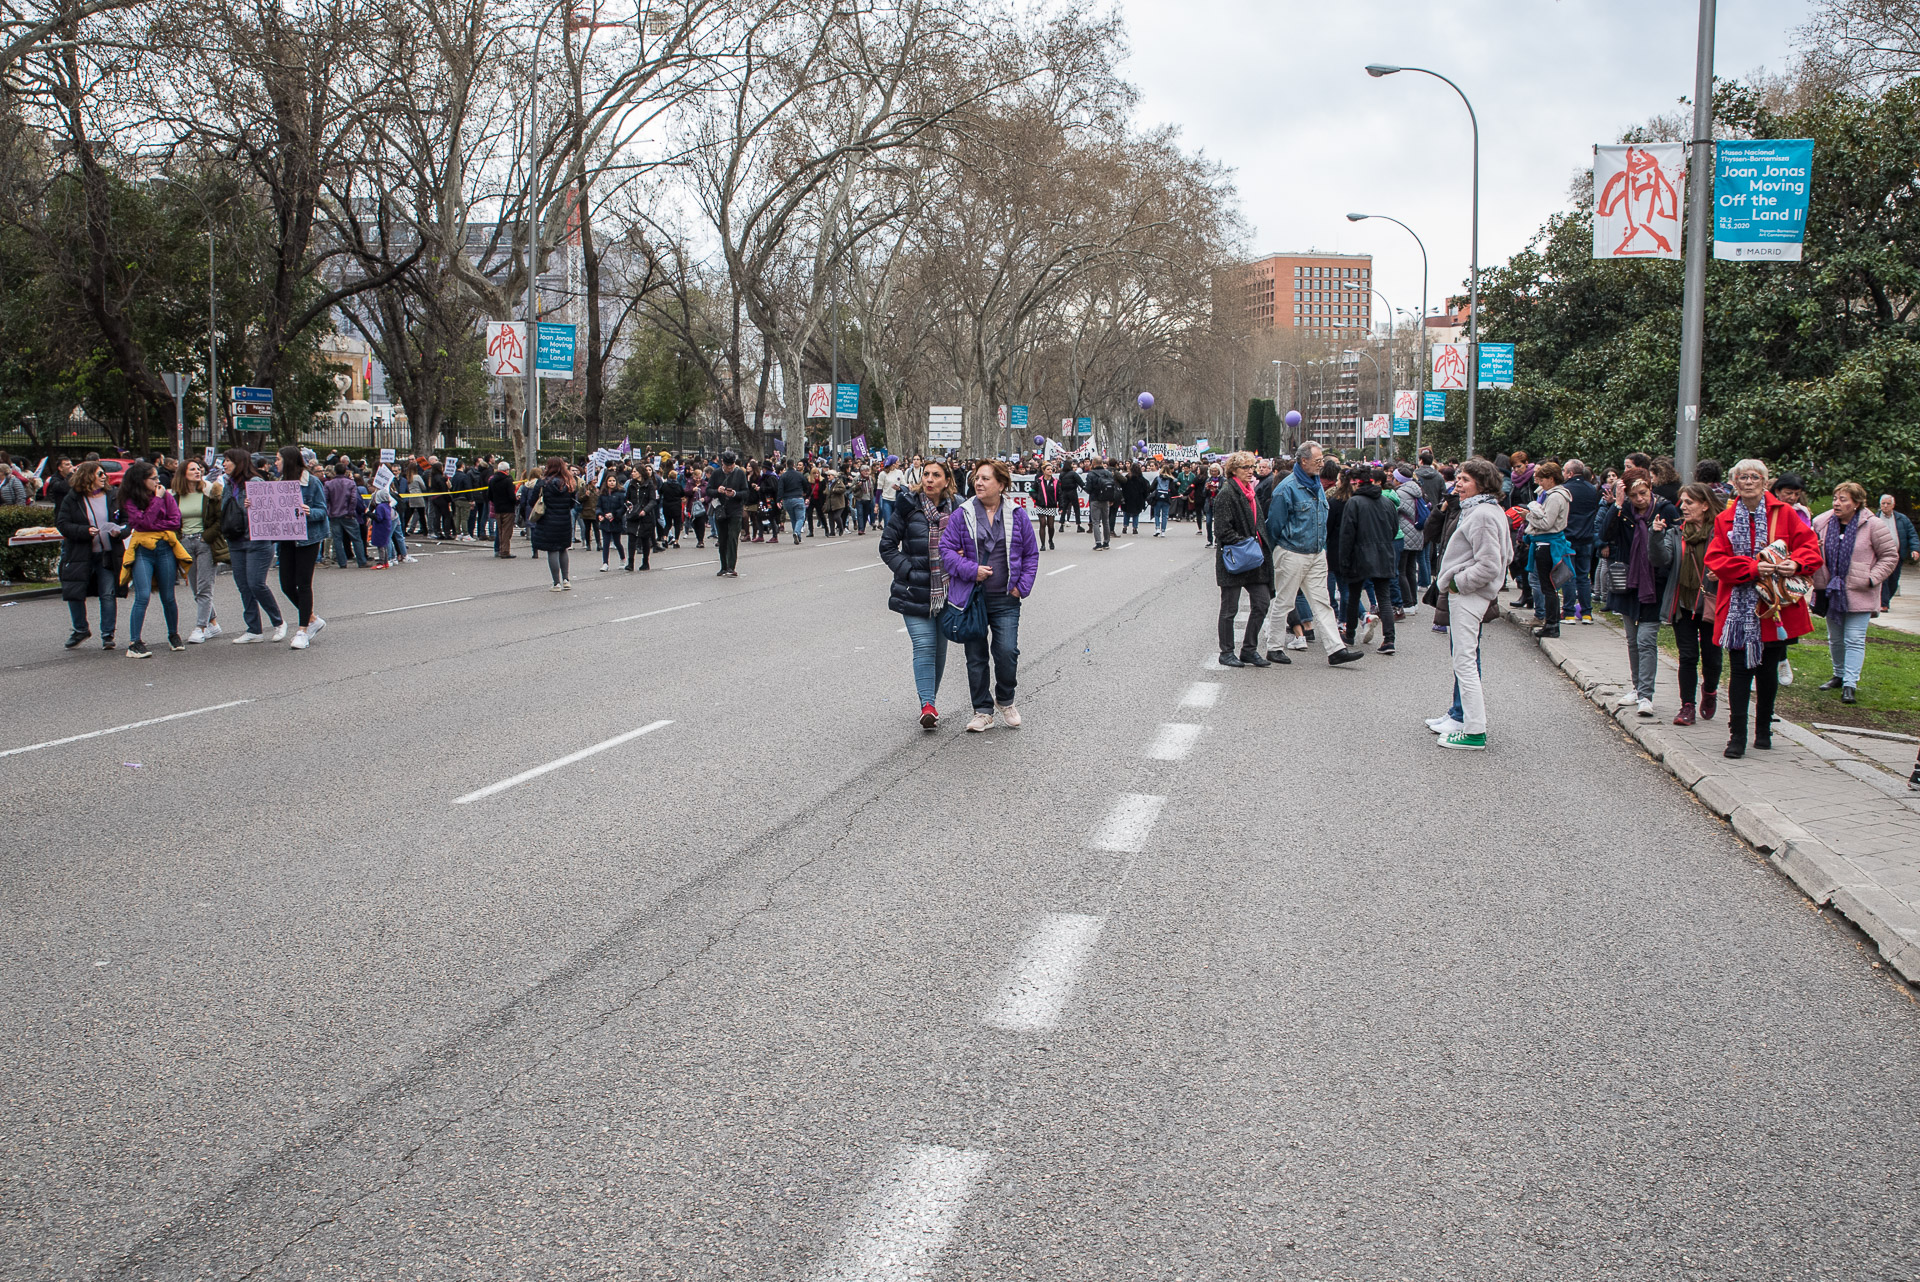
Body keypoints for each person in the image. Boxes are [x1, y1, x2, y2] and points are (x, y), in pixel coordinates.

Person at [1706, 458, 1821, 758]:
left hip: (1775, 609)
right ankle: (1737, 736)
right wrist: (1753, 568)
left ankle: (1764, 730)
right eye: (1742, 477)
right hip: (1738, 610)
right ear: (1734, 483)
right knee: (1740, 671)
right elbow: (1716, 560)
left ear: (1765, 482)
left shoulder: (1785, 513)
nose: (1748, 482)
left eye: (1754, 477)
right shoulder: (1724, 519)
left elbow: (1810, 548)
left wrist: (1795, 563)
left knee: (1768, 671)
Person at [940, 459, 1039, 731]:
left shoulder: (1017, 515)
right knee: (976, 657)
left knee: (1007, 652)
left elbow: (1031, 554)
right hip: (973, 598)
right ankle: (982, 711)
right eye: (977, 478)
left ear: (1002, 484)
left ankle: (1005, 699)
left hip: (1006, 598)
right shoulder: (963, 514)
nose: (979, 483)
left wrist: (1021, 586)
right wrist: (972, 570)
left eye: (985, 478)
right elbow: (946, 551)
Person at [1430, 457, 1512, 750]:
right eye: (1459, 478)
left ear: (1482, 483)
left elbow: (1490, 563)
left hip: (1469, 595)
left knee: (1464, 663)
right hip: (1470, 593)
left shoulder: (1483, 514)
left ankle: (1474, 731)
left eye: (1465, 479)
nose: (1458, 484)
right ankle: (1466, 723)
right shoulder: (1486, 510)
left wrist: (1458, 582)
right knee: (1464, 660)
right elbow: (1505, 554)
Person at [1265, 441, 1364, 668]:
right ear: (1303, 461)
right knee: (1284, 601)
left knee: (1323, 603)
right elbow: (1274, 526)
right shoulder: (1286, 489)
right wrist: (1277, 553)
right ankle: (1274, 647)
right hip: (1292, 552)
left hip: (1316, 553)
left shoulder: (1316, 483)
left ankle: (1336, 649)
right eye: (1318, 461)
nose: (1322, 464)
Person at [880, 457, 958, 729]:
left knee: (940, 651)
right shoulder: (908, 506)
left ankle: (930, 703)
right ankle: (927, 705)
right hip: (913, 591)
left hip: (947, 592)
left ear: (946, 481)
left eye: (936, 475)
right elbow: (887, 546)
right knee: (924, 645)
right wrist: (909, 571)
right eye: (926, 474)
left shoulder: (958, 508)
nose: (929, 479)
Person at [1811, 481, 1898, 704]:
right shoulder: (1821, 522)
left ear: (1857, 503)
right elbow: (1810, 550)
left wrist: (1871, 578)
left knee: (1854, 638)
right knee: (1835, 638)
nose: (1836, 504)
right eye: (1835, 499)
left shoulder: (1874, 525)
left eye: (1843, 500)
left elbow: (1890, 556)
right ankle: (1838, 674)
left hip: (1860, 590)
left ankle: (1850, 683)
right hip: (1830, 591)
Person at [1602, 472, 1681, 715]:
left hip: (1654, 584)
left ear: (1650, 488)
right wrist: (1617, 504)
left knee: (1646, 640)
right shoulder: (1624, 510)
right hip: (1627, 581)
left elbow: (1675, 545)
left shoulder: (1665, 510)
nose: (1639, 499)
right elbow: (1605, 535)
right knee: (1632, 640)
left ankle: (1646, 695)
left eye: (1643, 493)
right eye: (1633, 495)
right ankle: (1637, 688)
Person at [117, 459, 191, 658]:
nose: (158, 482)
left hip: (165, 548)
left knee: (168, 596)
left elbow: (175, 521)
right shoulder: (131, 500)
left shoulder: (167, 496)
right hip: (143, 550)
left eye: (158, 477)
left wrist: (152, 524)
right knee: (142, 596)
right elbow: (143, 522)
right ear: (141, 480)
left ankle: (173, 635)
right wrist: (157, 502)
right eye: (153, 478)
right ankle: (135, 642)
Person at [1665, 483, 1724, 726]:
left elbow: (1731, 560)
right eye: (1682, 502)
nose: (1683, 507)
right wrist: (1655, 537)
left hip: (1711, 602)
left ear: (1705, 505)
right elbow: (1661, 559)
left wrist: (1721, 572)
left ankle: (1709, 691)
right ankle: (1687, 705)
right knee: (1688, 656)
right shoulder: (1677, 532)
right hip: (1684, 603)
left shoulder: (1720, 532)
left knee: (1712, 658)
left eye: (1689, 502)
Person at [1212, 451, 1274, 668]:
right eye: (1245, 468)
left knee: (1262, 603)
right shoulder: (1227, 493)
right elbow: (1222, 530)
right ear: (1233, 471)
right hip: (1235, 557)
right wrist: (1246, 544)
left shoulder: (1250, 491)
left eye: (1252, 467)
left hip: (1254, 558)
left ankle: (1249, 649)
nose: (1250, 471)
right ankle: (1226, 652)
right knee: (1230, 608)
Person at [217, 449, 286, 643]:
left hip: (257, 541)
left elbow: (272, 509)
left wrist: (253, 505)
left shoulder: (255, 482)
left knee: (256, 584)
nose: (224, 464)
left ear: (239, 462)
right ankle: (254, 630)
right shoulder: (228, 484)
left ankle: (279, 622)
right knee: (244, 586)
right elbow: (225, 510)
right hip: (236, 540)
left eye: (228, 460)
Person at [55, 461, 124, 650]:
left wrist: (120, 531)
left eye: (104, 474)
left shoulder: (112, 495)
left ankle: (108, 634)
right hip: (80, 554)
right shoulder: (73, 498)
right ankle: (80, 629)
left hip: (107, 555)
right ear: (88, 476)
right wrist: (84, 531)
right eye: (100, 473)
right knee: (74, 592)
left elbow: (125, 520)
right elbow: (62, 524)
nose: (104, 477)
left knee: (108, 594)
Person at [1337, 467, 1399, 655]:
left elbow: (1347, 534)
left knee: (1354, 595)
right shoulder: (1387, 502)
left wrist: (1344, 559)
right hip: (1383, 553)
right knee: (1384, 598)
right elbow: (1394, 528)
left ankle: (1350, 633)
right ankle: (1389, 639)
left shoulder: (1354, 502)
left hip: (1359, 554)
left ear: (1357, 483)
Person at [274, 445, 330, 650]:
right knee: (286, 584)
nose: (275, 463)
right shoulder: (278, 483)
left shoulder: (311, 482)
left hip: (308, 539)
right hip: (287, 539)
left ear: (288, 460)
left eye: (278, 459)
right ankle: (312, 618)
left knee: (303, 583)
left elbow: (322, 510)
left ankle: (303, 630)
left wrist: (309, 512)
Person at [173, 458, 227, 643]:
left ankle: (200, 627)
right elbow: (172, 520)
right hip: (184, 543)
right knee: (196, 588)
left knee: (204, 587)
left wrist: (206, 536)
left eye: (199, 469)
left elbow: (220, 519)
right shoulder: (174, 496)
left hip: (205, 543)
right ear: (183, 473)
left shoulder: (210, 491)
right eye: (192, 469)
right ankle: (213, 623)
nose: (197, 471)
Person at [1521, 460, 1571, 639]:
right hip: (1547, 543)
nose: (1540, 483)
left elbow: (1547, 523)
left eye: (1542, 479)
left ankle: (1551, 624)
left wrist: (1528, 516)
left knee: (1548, 587)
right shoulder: (1553, 495)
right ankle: (1552, 622)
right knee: (1548, 586)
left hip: (1547, 544)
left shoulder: (1556, 497)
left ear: (1551, 478)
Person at [1560, 460, 1601, 623]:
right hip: (1586, 537)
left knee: (1569, 576)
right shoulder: (1591, 489)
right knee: (1584, 576)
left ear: (1570, 473)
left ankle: (1569, 612)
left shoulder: (1565, 490)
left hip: (1568, 537)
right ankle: (1586, 613)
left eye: (1564, 471)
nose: (1563, 474)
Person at [527, 457, 578, 589]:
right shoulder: (569, 482)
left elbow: (532, 501)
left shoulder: (543, 483)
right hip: (564, 519)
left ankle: (556, 583)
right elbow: (572, 503)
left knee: (552, 550)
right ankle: (566, 579)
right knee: (563, 549)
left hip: (548, 520)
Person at [711, 451, 748, 576]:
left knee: (733, 537)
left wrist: (735, 494)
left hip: (735, 509)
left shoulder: (739, 473)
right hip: (721, 509)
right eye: (727, 465)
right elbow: (708, 490)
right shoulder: (716, 473)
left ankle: (731, 567)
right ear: (722, 463)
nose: (730, 467)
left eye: (732, 465)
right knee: (722, 539)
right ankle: (723, 566)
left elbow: (746, 492)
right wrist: (718, 491)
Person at [1878, 494, 1918, 608]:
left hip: (1897, 555)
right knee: (1883, 579)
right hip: (1880, 555)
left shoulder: (1902, 519)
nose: (1885, 506)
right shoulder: (1874, 519)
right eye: (1883, 504)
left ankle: (1885, 600)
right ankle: (1883, 604)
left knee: (1893, 580)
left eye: (1888, 503)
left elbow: (1912, 534)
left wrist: (1915, 549)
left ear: (1893, 505)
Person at [623, 463, 657, 571]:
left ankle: (645, 562)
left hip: (645, 516)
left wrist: (645, 510)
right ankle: (630, 563)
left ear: (640, 473)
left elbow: (653, 500)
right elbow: (627, 498)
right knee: (631, 538)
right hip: (633, 515)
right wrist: (628, 504)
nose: (632, 473)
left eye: (635, 471)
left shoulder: (649, 485)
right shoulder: (631, 484)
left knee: (645, 539)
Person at [487, 461, 518, 558]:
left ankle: (499, 549)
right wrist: (516, 501)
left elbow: (489, 495)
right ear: (507, 470)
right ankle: (505, 551)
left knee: (500, 530)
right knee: (507, 531)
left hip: (497, 508)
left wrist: (496, 501)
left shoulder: (492, 480)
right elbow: (511, 496)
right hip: (508, 508)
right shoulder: (508, 480)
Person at [1086, 457, 1115, 548]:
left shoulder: (1091, 474)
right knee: (1106, 521)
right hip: (1106, 499)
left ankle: (1098, 543)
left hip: (1095, 499)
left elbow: (1088, 489)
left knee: (1095, 522)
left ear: (1093, 463)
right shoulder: (1108, 473)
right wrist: (1111, 499)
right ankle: (1106, 542)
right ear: (1102, 463)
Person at [779, 459, 807, 545]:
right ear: (794, 465)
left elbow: (780, 488)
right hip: (798, 497)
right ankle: (796, 532)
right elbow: (806, 485)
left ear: (786, 466)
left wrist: (779, 499)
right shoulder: (799, 475)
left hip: (787, 499)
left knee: (793, 518)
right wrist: (805, 493)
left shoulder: (783, 476)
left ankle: (798, 537)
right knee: (800, 518)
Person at [1034, 463, 1059, 551]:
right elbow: (1032, 491)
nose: (1050, 471)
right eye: (1048, 469)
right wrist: (1037, 498)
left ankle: (1050, 540)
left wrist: (1061, 506)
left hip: (1051, 506)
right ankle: (1042, 544)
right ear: (1044, 471)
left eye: (1051, 469)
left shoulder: (1055, 481)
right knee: (1043, 523)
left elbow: (1060, 493)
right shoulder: (1038, 481)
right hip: (1041, 505)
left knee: (1051, 525)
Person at [1056, 457, 1082, 533]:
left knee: (1064, 508)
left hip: (1065, 492)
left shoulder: (1062, 474)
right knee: (1076, 508)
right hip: (1072, 492)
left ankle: (1061, 525)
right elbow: (1080, 482)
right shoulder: (1073, 474)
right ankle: (1078, 525)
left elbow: (1059, 484)